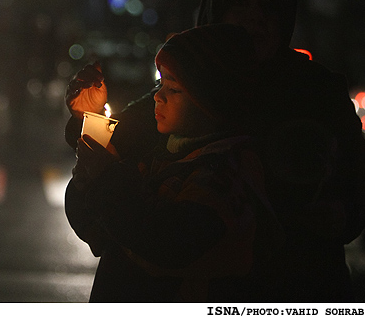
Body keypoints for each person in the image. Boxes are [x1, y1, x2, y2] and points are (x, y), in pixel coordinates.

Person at [64, 0, 365, 301]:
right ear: (216, 7)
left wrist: (335, 215)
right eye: (240, 2)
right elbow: (104, 156)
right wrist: (87, 119)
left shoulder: (316, 93)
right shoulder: (179, 97)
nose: (256, 17)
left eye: (270, 5)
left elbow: (358, 189)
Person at [66, 24, 282, 302]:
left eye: (174, 88)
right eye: (160, 83)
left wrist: (106, 175)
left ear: (209, 101)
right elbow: (96, 229)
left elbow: (165, 243)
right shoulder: (161, 158)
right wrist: (89, 165)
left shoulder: (226, 176)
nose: (158, 96)